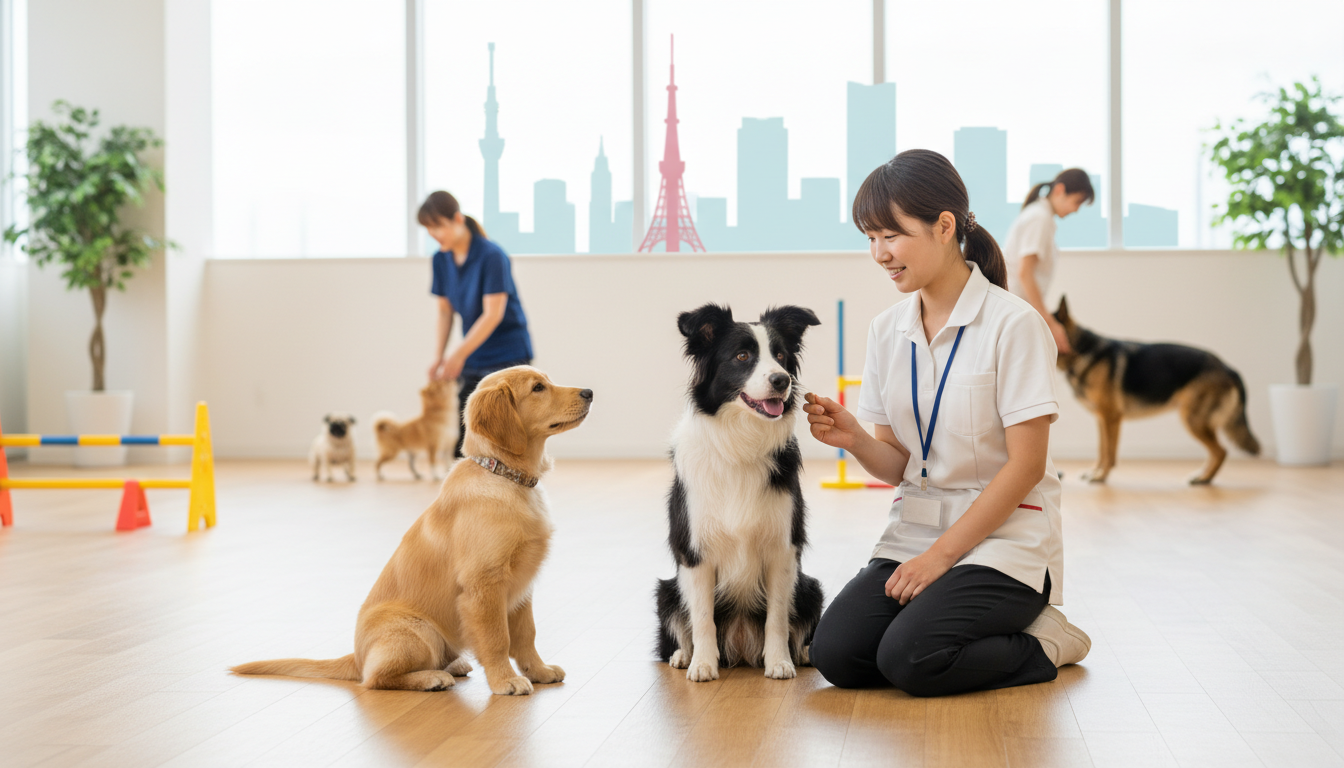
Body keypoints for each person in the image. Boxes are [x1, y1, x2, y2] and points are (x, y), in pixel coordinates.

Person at [802, 150, 1089, 697]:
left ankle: (1047, 640)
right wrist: (856, 440)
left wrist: (942, 558)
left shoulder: (1014, 324)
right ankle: (946, 616)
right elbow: (901, 467)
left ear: (945, 226)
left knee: (912, 659)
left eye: (892, 235)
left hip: (1005, 541)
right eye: (870, 238)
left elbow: (1027, 466)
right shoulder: (888, 331)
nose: (880, 253)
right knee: (837, 654)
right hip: (915, 532)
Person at [421, 190, 533, 459]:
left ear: (457, 219)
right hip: (474, 353)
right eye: (429, 230)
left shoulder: (492, 255)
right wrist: (439, 357)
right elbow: (445, 313)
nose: (435, 234)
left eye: (439, 226)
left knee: (509, 434)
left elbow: (493, 314)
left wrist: (458, 353)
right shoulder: (440, 259)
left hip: (508, 352)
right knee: (468, 437)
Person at [1000, 169, 1094, 354]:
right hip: (1016, 310)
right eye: (1076, 202)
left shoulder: (1039, 215)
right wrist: (1050, 322)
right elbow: (1025, 273)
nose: (1075, 210)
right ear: (1059, 190)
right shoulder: (1039, 218)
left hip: (1017, 310)